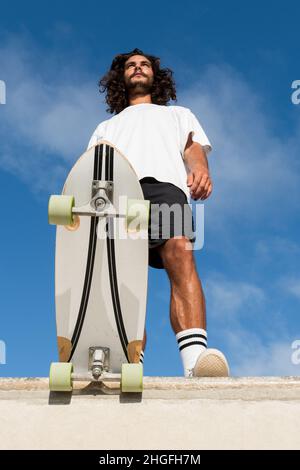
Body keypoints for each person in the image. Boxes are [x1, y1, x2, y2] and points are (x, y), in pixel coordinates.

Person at [87, 48, 229, 377]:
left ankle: (196, 363)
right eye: (131, 66)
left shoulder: (178, 115)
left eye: (144, 64)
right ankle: (129, 363)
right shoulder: (106, 127)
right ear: (120, 77)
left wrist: (200, 170)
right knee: (125, 276)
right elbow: (92, 171)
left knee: (180, 252)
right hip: (120, 193)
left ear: (155, 75)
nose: (138, 68)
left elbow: (192, 149)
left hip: (166, 187)